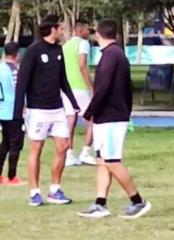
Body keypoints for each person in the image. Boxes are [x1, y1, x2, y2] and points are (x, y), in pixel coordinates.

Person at [77, 20, 151, 219]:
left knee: (112, 161)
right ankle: (100, 204)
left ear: (98, 35)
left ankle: (138, 201)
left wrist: (89, 111)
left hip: (111, 117)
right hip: (107, 117)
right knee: (102, 161)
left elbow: (103, 89)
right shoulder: (112, 55)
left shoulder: (112, 56)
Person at [14, 15, 80, 206]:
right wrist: (18, 115)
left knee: (63, 147)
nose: (62, 31)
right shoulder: (33, 51)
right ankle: (34, 192)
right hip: (38, 110)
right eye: (60, 28)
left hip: (57, 109)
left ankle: (55, 190)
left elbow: (63, 80)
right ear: (52, 29)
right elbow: (22, 83)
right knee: (36, 149)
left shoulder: (58, 50)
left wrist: (74, 103)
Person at [62, 20, 96, 166]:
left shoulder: (66, 45)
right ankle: (86, 152)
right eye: (87, 30)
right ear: (80, 30)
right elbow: (82, 65)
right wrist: (91, 86)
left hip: (68, 88)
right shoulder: (83, 44)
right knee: (93, 119)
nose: (89, 32)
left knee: (71, 120)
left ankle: (69, 154)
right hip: (80, 87)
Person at [0, 42, 26, 186]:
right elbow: (19, 90)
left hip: (2, 110)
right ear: (17, 54)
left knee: (5, 143)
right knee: (15, 144)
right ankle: (12, 176)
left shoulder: (1, 67)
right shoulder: (14, 70)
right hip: (14, 111)